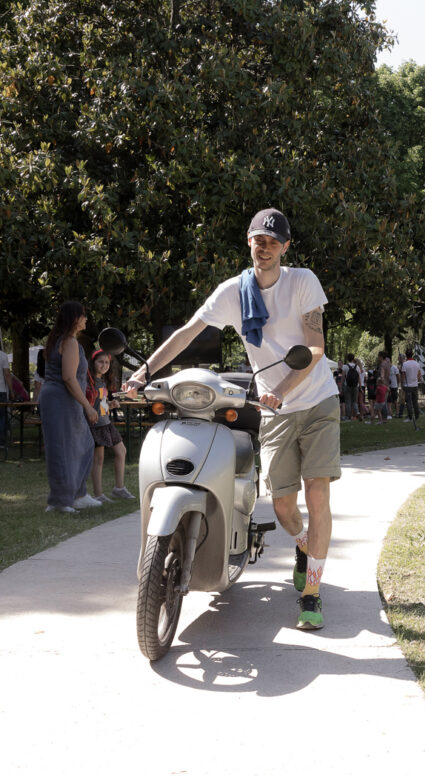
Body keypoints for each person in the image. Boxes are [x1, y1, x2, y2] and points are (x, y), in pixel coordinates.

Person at [125, 208, 339, 631]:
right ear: (248, 241)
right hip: (274, 411)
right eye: (259, 240)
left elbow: (314, 348)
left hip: (315, 401)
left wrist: (284, 389)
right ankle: (302, 546)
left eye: (273, 242)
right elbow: (186, 333)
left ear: (286, 247)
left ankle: (312, 594)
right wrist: (144, 371)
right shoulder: (233, 292)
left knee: (316, 497)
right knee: (282, 508)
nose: (265, 248)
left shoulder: (302, 282)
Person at [38, 301, 99, 513]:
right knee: (62, 449)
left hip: (62, 399)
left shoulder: (58, 339)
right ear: (75, 318)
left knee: (84, 444)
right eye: (83, 315)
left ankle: (78, 494)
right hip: (60, 399)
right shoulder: (70, 342)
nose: (86, 319)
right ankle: (60, 501)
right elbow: (69, 378)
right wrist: (88, 407)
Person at [86, 348, 134, 504]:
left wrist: (110, 405)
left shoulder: (103, 382)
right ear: (93, 363)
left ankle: (119, 488)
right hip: (96, 425)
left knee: (121, 451)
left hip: (107, 423)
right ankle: (98, 494)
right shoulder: (88, 381)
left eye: (107, 362)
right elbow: (88, 404)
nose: (104, 365)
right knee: (98, 459)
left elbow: (101, 404)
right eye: (100, 362)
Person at [401, 349, 422, 424]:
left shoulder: (405, 364)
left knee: (409, 402)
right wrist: (416, 379)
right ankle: (417, 415)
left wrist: (402, 385)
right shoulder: (417, 363)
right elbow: (419, 375)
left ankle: (410, 417)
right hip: (415, 385)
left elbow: (403, 376)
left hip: (407, 386)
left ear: (406, 355)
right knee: (415, 401)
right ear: (412, 354)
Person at [341, 352, 360, 421]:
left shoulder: (345, 366)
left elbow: (343, 377)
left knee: (348, 401)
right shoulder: (357, 367)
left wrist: (341, 388)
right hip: (355, 386)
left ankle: (348, 417)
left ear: (347, 359)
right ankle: (357, 412)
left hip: (347, 386)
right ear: (353, 358)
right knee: (354, 401)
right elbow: (358, 378)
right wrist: (359, 386)